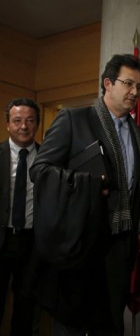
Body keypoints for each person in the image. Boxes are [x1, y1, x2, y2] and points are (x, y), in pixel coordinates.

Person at [29, 54, 140, 335]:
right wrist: (89, 183)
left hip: (121, 243)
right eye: (128, 84)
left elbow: (138, 189)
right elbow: (40, 170)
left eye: (139, 87)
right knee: (71, 321)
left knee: (110, 321)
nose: (135, 92)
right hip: (80, 239)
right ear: (108, 83)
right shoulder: (74, 119)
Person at [0, 98, 39, 336]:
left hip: (33, 243)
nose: (23, 126)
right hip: (1, 240)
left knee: (26, 310)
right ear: (7, 125)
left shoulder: (49, 157)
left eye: (30, 120)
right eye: (17, 121)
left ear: (36, 124)